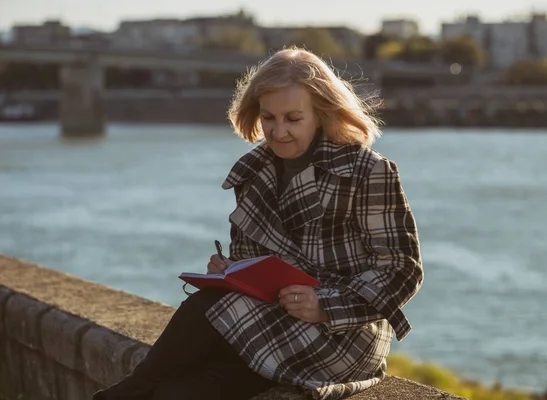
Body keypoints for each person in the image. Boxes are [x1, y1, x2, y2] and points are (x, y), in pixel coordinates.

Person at [92, 47, 423, 400]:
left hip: (342, 335)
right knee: (178, 392)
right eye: (269, 118)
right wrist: (232, 271)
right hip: (268, 321)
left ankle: (127, 390)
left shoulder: (367, 171)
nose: (278, 132)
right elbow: (258, 261)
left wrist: (323, 304)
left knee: (206, 307)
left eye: (293, 119)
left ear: (321, 113)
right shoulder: (253, 172)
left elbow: (402, 269)